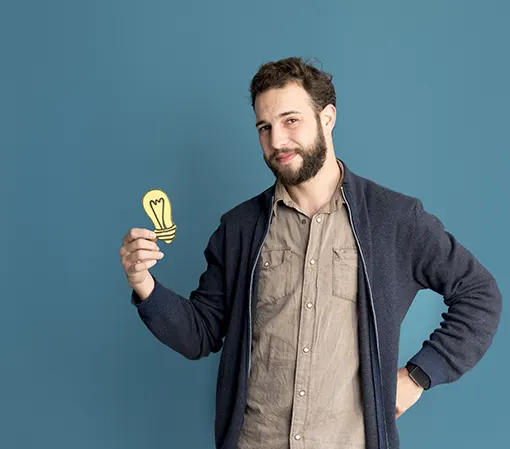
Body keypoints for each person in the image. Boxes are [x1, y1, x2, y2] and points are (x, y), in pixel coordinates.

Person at [119, 57, 502, 449]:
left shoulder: (394, 219)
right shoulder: (238, 228)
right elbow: (200, 334)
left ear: (328, 117)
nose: (277, 141)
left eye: (290, 121)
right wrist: (144, 283)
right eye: (264, 128)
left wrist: (418, 376)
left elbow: (479, 295)